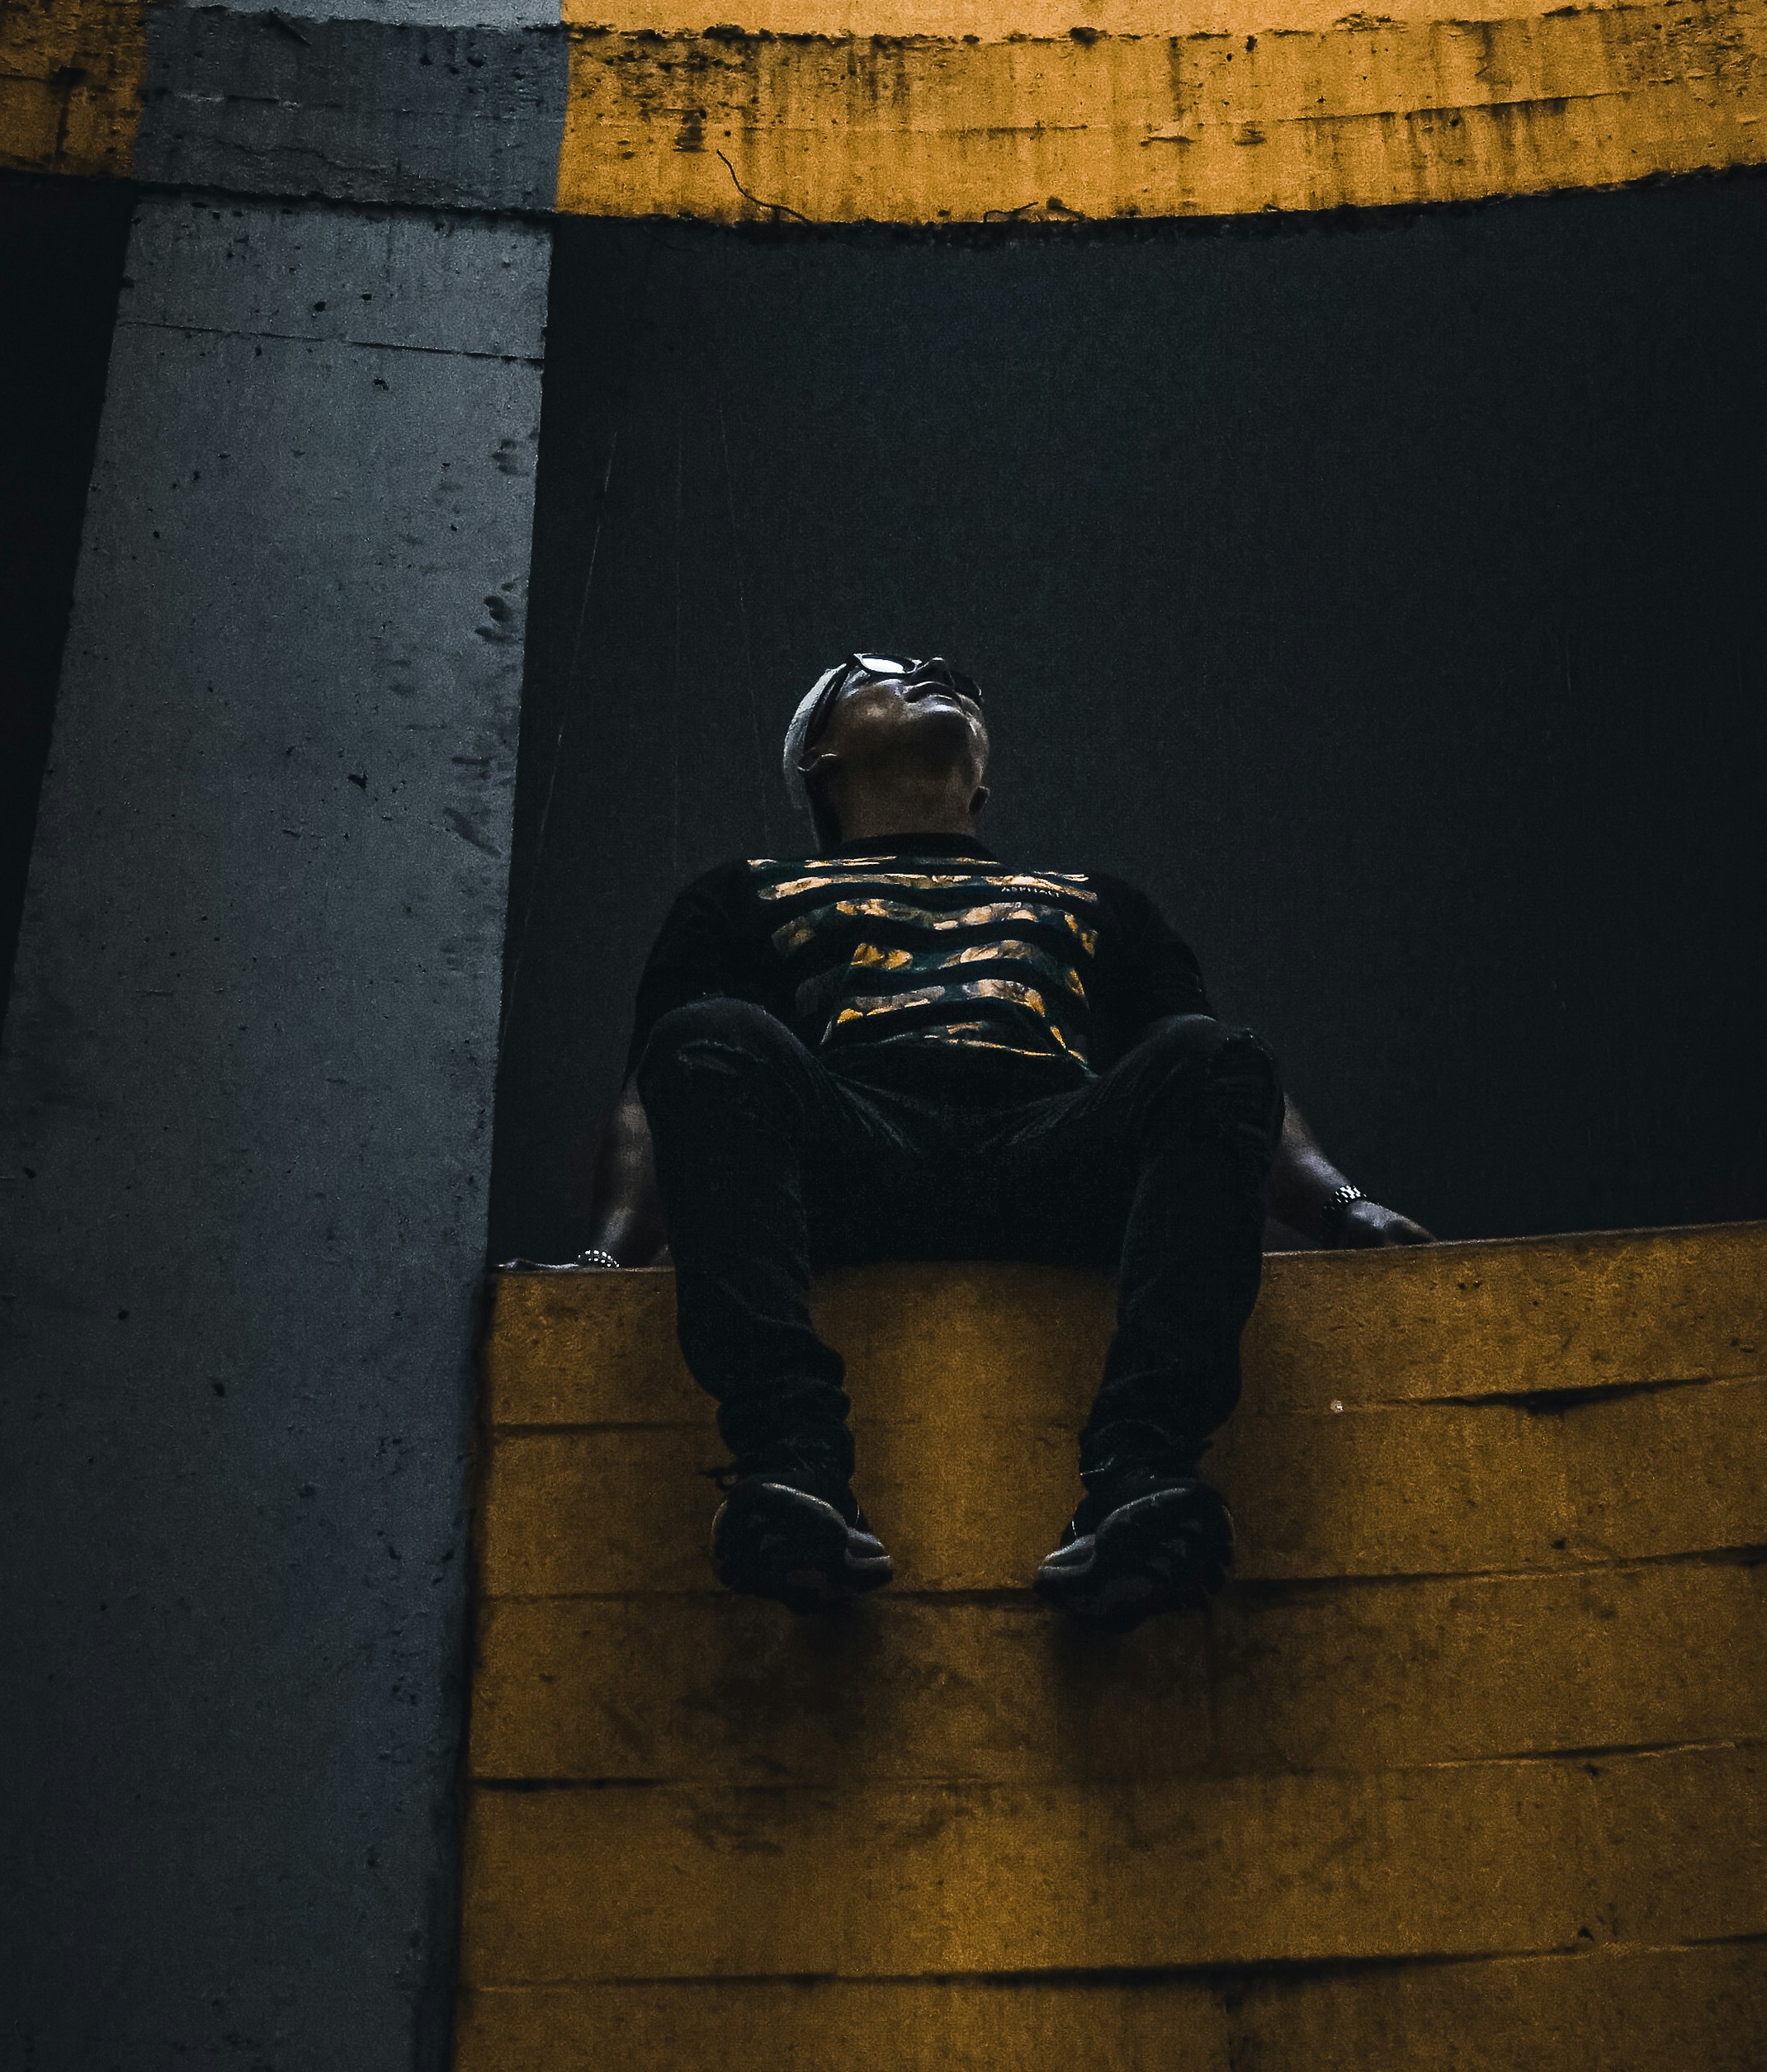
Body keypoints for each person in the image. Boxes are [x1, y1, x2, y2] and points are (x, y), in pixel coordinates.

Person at [569, 650, 1428, 1629]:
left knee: (1211, 1049)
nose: (936, 670)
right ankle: (794, 1468)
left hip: (1048, 1151)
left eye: (949, 676)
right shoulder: (742, 891)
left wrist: (1341, 1204)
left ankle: (1138, 1480)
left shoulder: (1100, 899)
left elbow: (1224, 1084)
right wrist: (608, 1253)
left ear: (983, 782)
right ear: (820, 756)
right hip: (855, 1153)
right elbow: (662, 1090)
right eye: (879, 672)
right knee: (706, 1034)